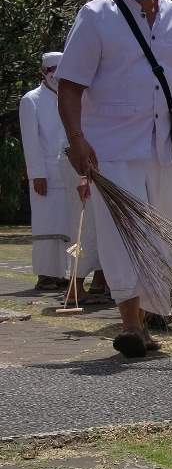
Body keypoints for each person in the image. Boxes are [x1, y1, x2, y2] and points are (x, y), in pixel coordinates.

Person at [55, 0, 172, 357]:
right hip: (111, 147)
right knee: (120, 232)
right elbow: (69, 85)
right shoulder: (95, 15)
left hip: (162, 145)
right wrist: (76, 139)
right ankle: (129, 324)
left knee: (158, 233)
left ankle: (144, 318)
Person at [19, 53, 95, 293]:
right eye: (51, 69)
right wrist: (36, 174)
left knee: (70, 226)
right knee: (47, 225)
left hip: (71, 171)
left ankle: (65, 273)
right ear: (43, 71)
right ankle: (46, 274)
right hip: (47, 175)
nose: (56, 74)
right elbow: (31, 142)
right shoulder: (31, 100)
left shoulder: (75, 98)